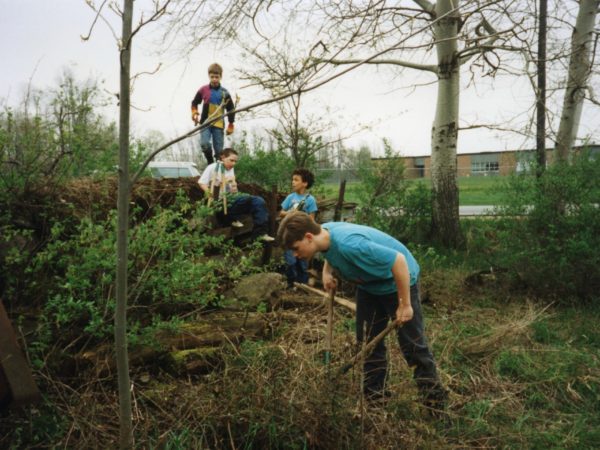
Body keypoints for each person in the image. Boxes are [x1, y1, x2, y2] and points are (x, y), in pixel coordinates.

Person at [277, 211, 447, 410]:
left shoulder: (351, 245)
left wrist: (405, 304)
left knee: (413, 345)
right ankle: (375, 401)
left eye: (295, 249)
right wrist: (326, 272)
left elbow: (398, 261)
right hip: (369, 287)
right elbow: (331, 253)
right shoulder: (324, 235)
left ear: (308, 237)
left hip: (398, 284)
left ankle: (435, 403)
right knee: (368, 342)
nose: (295, 255)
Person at [199, 148, 274, 242]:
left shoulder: (231, 169)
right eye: (231, 160)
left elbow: (232, 188)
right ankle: (231, 219)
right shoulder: (213, 167)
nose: (233, 163)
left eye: (235, 161)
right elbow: (202, 183)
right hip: (219, 202)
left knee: (258, 201)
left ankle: (259, 234)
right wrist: (211, 194)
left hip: (230, 200)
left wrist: (233, 188)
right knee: (226, 206)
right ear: (223, 157)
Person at [279, 169, 318, 288]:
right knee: (290, 261)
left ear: (305, 183)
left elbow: (311, 219)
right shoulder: (291, 197)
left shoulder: (310, 199)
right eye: (292, 180)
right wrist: (291, 213)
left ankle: (303, 286)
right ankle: (291, 285)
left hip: (302, 236)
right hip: (289, 235)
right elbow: (281, 212)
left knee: (302, 263)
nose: (293, 182)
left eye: (296, 180)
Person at [191, 63, 236, 164]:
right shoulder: (203, 90)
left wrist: (231, 124)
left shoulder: (225, 92)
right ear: (209, 76)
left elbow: (231, 109)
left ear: (221, 77)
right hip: (205, 123)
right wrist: (194, 111)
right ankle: (210, 162)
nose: (214, 79)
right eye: (212, 77)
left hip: (219, 124)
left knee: (219, 151)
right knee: (205, 144)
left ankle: (217, 172)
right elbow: (194, 102)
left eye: (217, 77)